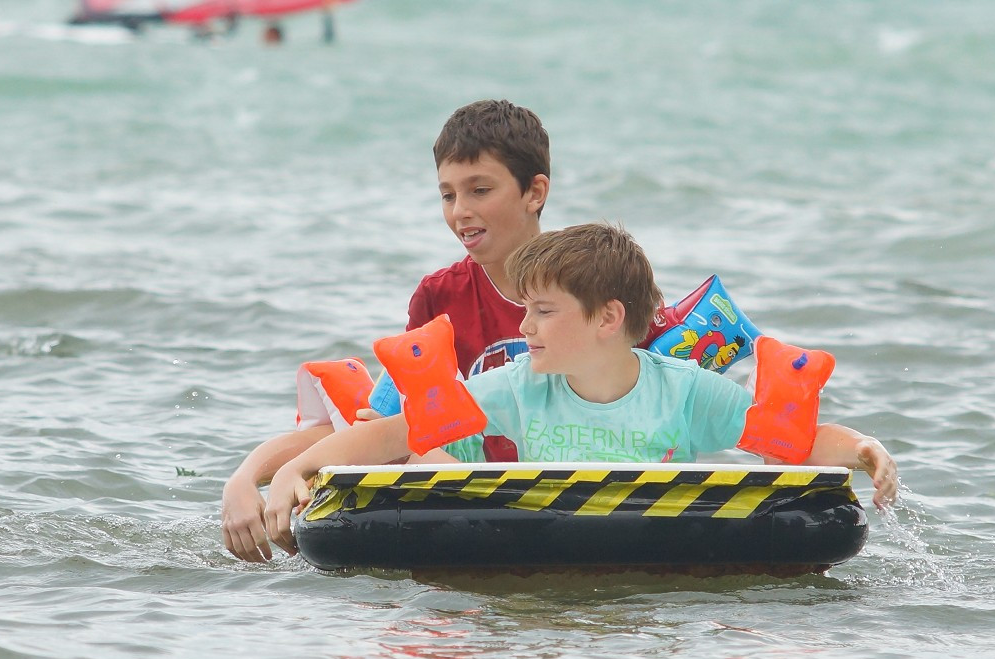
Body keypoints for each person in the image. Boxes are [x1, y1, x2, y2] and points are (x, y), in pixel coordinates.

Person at [262, 223, 899, 556]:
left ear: (606, 319)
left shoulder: (683, 392)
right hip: (546, 538)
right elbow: (394, 433)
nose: (523, 325)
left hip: (650, 538)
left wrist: (863, 449)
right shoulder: (517, 387)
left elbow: (797, 440)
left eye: (543, 311)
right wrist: (300, 467)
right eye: (525, 308)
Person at [222, 100, 559, 562]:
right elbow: (371, 426)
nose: (460, 211)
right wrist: (243, 480)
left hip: (569, 485)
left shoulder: (591, 284)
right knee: (417, 453)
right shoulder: (440, 298)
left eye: (480, 190)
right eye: (447, 195)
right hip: (474, 495)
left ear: (534, 192)